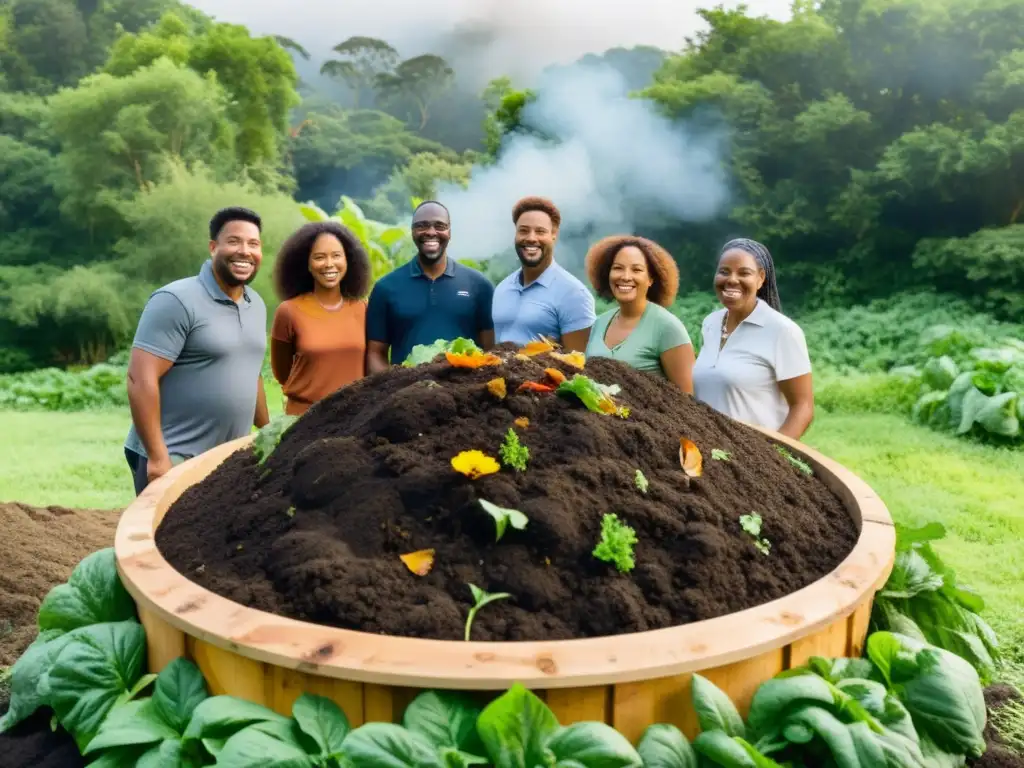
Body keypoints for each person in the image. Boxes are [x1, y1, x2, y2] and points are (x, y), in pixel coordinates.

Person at [124, 206, 270, 495]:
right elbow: (139, 379)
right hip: (175, 456)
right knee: (163, 540)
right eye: (234, 241)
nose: (244, 251)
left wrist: (269, 434)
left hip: (229, 460)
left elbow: (250, 373)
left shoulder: (257, 305)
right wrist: (157, 456)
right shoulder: (176, 299)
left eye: (253, 244)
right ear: (213, 247)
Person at [692, 238, 814, 439]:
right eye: (724, 271)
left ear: (760, 278)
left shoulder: (782, 331)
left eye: (744, 273)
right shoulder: (710, 324)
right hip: (709, 454)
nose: (731, 279)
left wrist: (771, 456)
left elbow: (803, 407)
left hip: (754, 460)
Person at [366, 200, 495, 370]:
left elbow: (491, 351)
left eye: (439, 226)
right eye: (422, 226)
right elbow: (375, 354)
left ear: (449, 232)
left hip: (464, 393)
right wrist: (393, 389)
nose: (431, 232)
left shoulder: (479, 285)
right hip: (408, 392)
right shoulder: (386, 288)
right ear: (412, 231)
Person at [270, 221, 372, 416]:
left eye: (336, 256)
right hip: (303, 419)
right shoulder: (289, 311)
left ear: (348, 261)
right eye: (319, 257)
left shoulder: (363, 309)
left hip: (352, 418)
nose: (329, 264)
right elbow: (282, 373)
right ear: (307, 264)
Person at [583, 235, 695, 392]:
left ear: (650, 279)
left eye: (636, 270)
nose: (626, 277)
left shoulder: (668, 327)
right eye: (618, 268)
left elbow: (688, 400)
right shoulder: (599, 323)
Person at [492, 196, 595, 351]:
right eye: (524, 231)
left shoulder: (573, 294)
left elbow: (581, 364)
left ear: (554, 235)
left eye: (540, 231)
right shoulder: (502, 288)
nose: (531, 238)